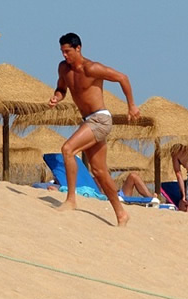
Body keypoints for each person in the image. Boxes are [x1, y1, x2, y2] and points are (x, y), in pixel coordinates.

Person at [48, 32, 140, 227]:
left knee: (68, 149)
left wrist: (131, 105)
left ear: (78, 48)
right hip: (88, 120)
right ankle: (121, 213)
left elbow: (122, 77)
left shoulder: (92, 68)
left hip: (100, 119)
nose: (65, 55)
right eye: (62, 51)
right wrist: (57, 97)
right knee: (99, 171)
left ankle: (71, 199)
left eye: (68, 51)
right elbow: (62, 89)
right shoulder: (63, 69)